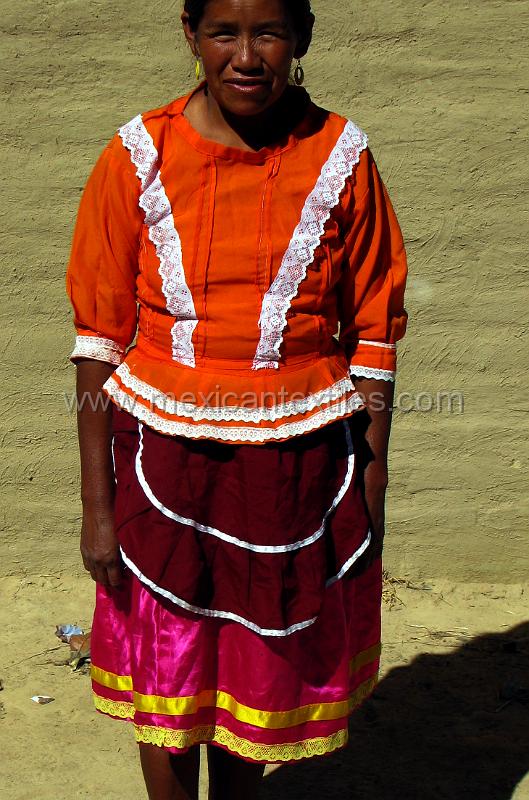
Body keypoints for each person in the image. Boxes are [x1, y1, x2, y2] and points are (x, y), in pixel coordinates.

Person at [65, 0, 408, 797]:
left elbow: (375, 332)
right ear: (190, 35)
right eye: (224, 32)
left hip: (296, 467)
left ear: (302, 40)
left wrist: (375, 471)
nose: (246, 56)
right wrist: (97, 505)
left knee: (261, 668)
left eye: (269, 33)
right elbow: (98, 340)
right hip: (163, 460)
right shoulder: (138, 154)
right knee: (172, 665)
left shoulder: (340, 155)